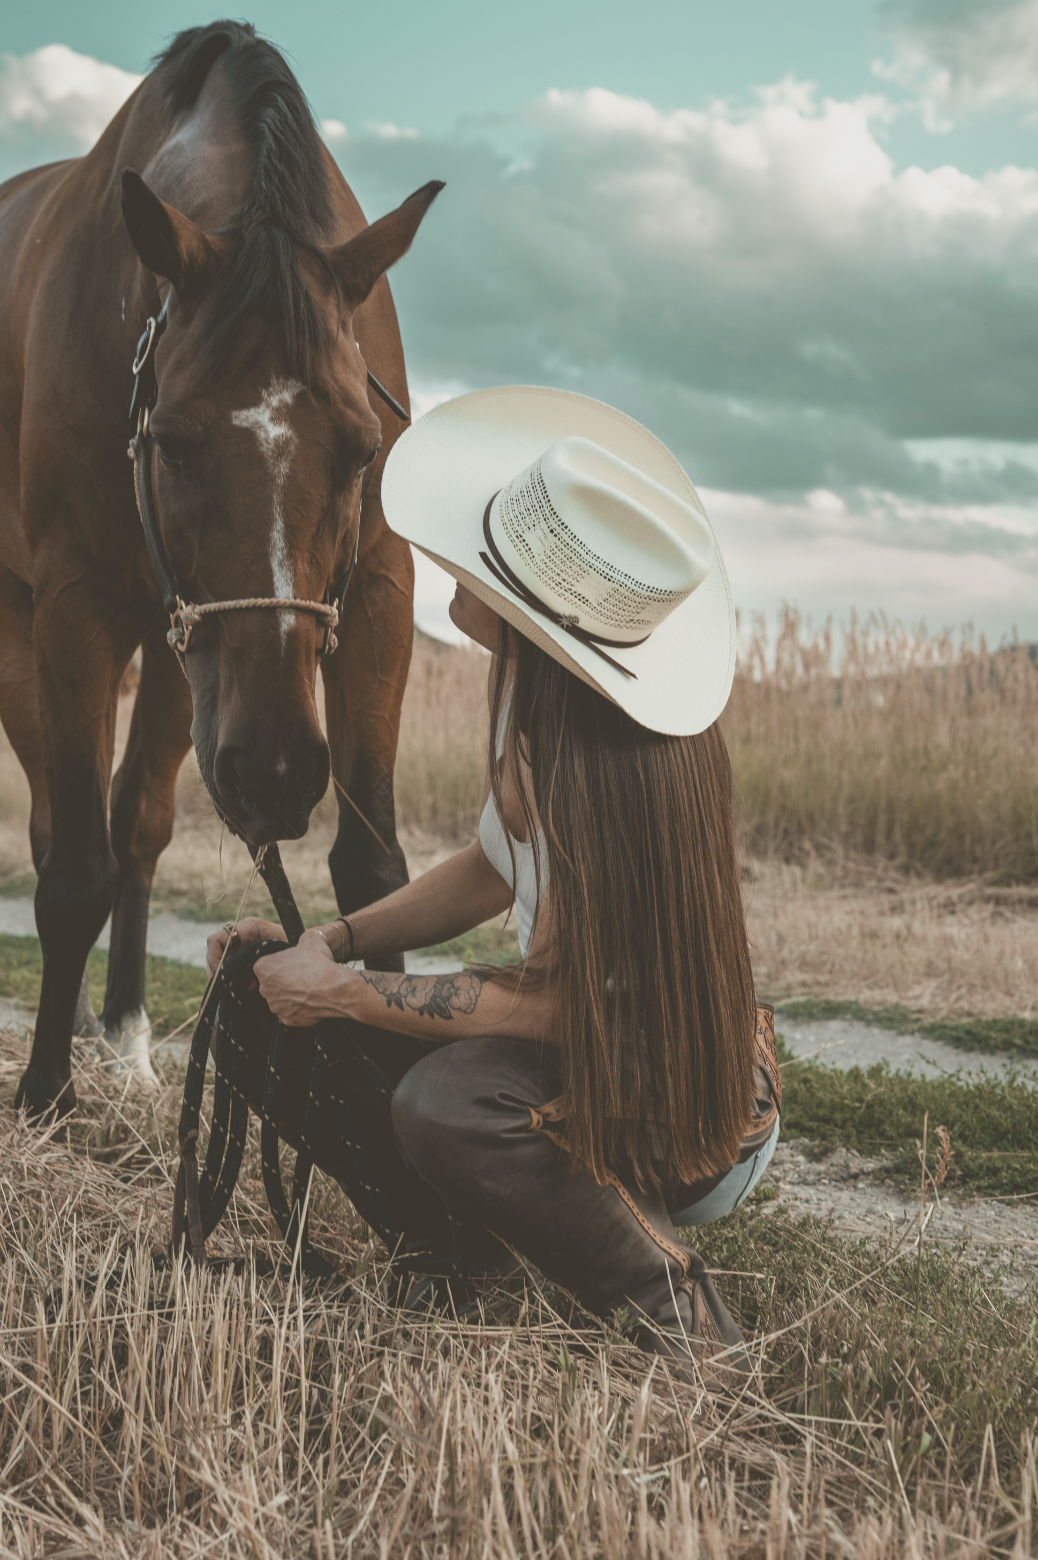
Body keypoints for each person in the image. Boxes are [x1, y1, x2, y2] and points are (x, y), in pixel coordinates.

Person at [206, 387, 780, 1379]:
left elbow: (568, 1003)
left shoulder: (613, 766)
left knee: (450, 1101)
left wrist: (349, 995)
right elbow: (487, 866)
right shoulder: (536, 693)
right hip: (593, 1057)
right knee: (254, 997)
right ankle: (455, 1254)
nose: (449, 565)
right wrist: (327, 947)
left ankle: (678, 1312)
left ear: (527, 605)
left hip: (684, 1113)